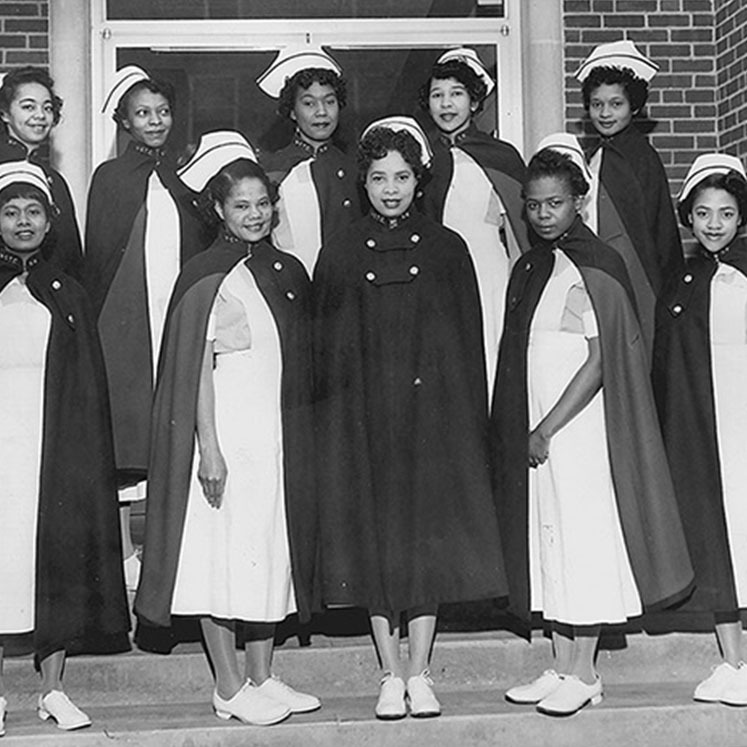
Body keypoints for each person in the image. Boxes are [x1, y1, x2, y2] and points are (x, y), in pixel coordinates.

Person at [315, 116, 507, 720]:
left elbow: (466, 346)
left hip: (432, 421)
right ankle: (387, 672)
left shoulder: (448, 249)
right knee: (375, 541)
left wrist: (463, 425)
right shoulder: (340, 250)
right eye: (379, 178)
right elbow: (328, 352)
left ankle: (420, 671)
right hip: (366, 420)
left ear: (418, 180)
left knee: (424, 542)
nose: (390, 188)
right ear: (363, 183)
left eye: (401, 176)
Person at [491, 148, 693, 716]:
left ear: (578, 202)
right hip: (538, 431)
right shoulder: (532, 265)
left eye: (555, 203)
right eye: (533, 206)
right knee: (548, 539)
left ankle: (584, 670)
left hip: (576, 430)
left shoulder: (598, 262)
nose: (543, 214)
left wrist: (547, 427)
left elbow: (602, 361)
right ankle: (559, 664)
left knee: (581, 540)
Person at [135, 131, 319, 727]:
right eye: (241, 205)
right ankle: (229, 685)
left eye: (262, 203)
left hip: (276, 436)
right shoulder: (204, 275)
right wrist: (208, 449)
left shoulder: (286, 270)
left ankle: (263, 676)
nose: (254, 214)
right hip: (224, 438)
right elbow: (200, 371)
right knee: (220, 555)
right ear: (218, 208)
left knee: (267, 550)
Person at [0, 161, 129, 736]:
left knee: (50, 563)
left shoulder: (68, 292)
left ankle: (52, 689)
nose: (22, 222)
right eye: (10, 212)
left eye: (33, 212)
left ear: (51, 222)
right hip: (3, 452)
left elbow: (86, 387)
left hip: (50, 452)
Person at [84, 65, 207, 592]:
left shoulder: (187, 175)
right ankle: (126, 550)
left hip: (173, 311)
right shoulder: (110, 179)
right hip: (126, 318)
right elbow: (100, 256)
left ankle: (171, 547)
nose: (154, 122)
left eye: (161, 112)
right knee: (127, 432)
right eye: (142, 114)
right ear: (124, 122)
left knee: (176, 425)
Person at [653, 153, 747, 706]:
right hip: (706, 428)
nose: (714, 224)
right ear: (689, 216)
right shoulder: (681, 282)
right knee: (718, 538)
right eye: (704, 213)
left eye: (727, 213)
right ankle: (731, 658)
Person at [419, 47, 529, 401]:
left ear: (475, 101)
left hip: (489, 275)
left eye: (456, 94)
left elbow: (518, 233)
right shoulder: (420, 157)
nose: (446, 104)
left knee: (490, 360)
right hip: (434, 277)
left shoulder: (502, 156)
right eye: (438, 95)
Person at [576, 39, 684, 355]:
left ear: (633, 106)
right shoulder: (592, 157)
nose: (605, 113)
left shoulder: (641, 159)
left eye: (615, 104)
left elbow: (659, 230)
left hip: (635, 274)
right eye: (597, 104)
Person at [257, 46, 360, 276]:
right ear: (292, 111)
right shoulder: (274, 170)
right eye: (309, 103)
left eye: (329, 101)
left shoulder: (355, 169)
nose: (321, 112)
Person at [0, 66, 82, 278]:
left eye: (47, 108)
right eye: (28, 107)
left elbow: (71, 257)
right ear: (5, 113)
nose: (40, 116)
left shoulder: (55, 180)